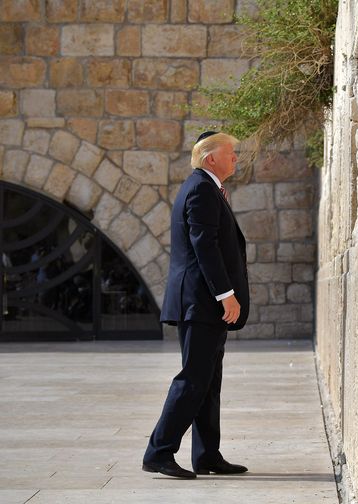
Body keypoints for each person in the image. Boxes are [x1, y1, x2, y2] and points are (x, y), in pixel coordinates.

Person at [142, 131, 250, 479]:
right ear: (209, 158)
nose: (236, 157)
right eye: (229, 152)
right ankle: (158, 452)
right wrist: (225, 294)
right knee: (192, 379)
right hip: (201, 303)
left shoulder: (206, 188)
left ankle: (206, 456)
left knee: (207, 381)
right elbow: (205, 245)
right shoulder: (202, 188)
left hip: (202, 304)